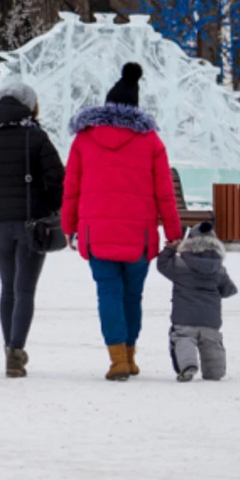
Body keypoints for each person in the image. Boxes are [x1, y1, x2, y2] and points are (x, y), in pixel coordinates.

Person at [60, 62, 182, 381]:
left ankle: (117, 361)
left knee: (108, 295)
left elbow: (70, 188)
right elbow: (165, 194)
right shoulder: (151, 142)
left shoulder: (84, 140)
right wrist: (173, 233)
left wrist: (68, 227)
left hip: (95, 233)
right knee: (132, 296)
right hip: (138, 237)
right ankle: (129, 355)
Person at [0, 81, 63, 378]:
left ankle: (8, 347)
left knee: (7, 287)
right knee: (25, 289)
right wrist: (48, 208)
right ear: (29, 106)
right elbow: (58, 180)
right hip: (32, 222)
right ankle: (16, 350)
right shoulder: (36, 139)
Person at [157, 221, 237, 381]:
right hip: (211, 320)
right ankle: (215, 372)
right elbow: (229, 290)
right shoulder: (218, 269)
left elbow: (162, 265)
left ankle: (187, 366)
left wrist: (170, 249)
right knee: (212, 344)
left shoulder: (180, 265)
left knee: (183, 339)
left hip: (184, 318)